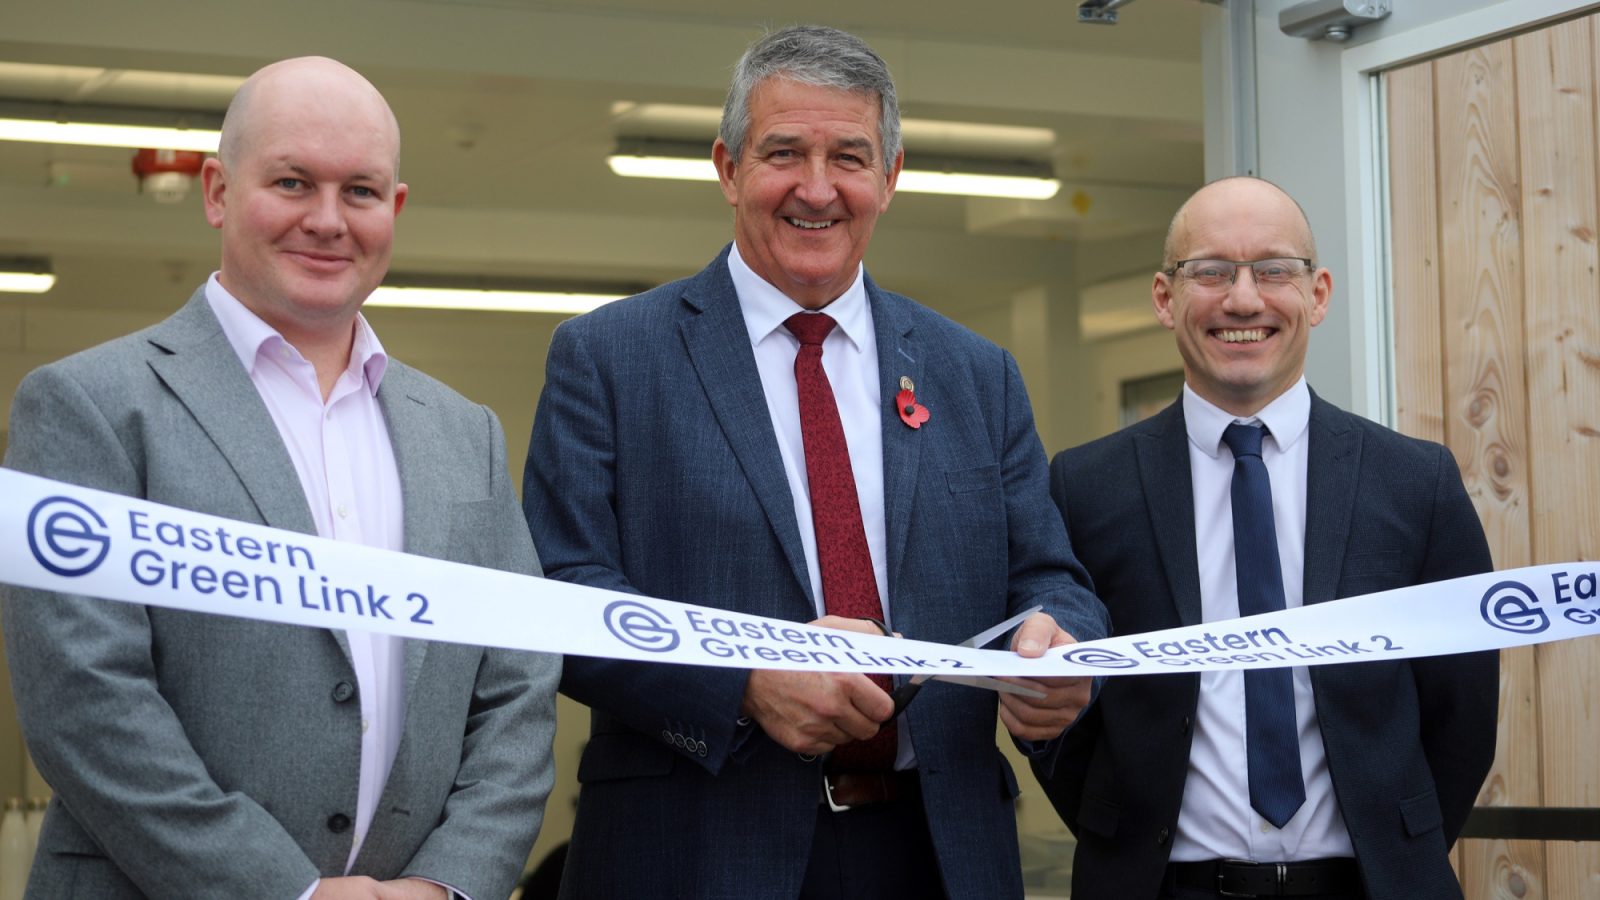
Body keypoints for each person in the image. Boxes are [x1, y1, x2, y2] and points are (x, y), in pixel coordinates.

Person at [522, 24, 1107, 900]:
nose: (817, 188)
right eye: (784, 152)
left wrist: (1062, 653)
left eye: (849, 156)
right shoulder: (609, 359)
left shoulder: (975, 373)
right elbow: (561, 595)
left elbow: (1051, 579)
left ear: (891, 177)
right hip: (694, 852)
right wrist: (742, 683)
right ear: (727, 168)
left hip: (938, 853)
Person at [1, 57, 560, 900]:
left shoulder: (465, 432)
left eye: (361, 191)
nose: (328, 221)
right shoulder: (89, 408)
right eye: (293, 182)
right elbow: (84, 702)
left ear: (395, 208)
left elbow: (517, 688)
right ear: (218, 191)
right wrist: (282, 890)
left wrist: (450, 883)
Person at [1037, 176, 1498, 900]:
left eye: (1274, 270)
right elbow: (1062, 716)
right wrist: (1119, 830)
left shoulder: (1416, 482)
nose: (1244, 299)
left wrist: (1395, 845)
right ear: (1166, 297)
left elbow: (1462, 713)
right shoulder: (1087, 488)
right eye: (1211, 272)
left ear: (1317, 294)